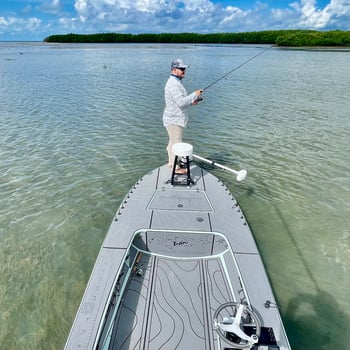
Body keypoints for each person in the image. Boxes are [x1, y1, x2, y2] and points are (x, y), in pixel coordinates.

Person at [163, 58, 203, 173]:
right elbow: (180, 103)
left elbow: (180, 102)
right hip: (174, 120)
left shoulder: (175, 82)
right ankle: (176, 168)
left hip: (172, 118)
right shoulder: (173, 84)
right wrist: (194, 94)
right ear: (174, 70)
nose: (184, 71)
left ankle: (172, 163)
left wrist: (192, 101)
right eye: (181, 69)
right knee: (177, 142)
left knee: (172, 141)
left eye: (184, 69)